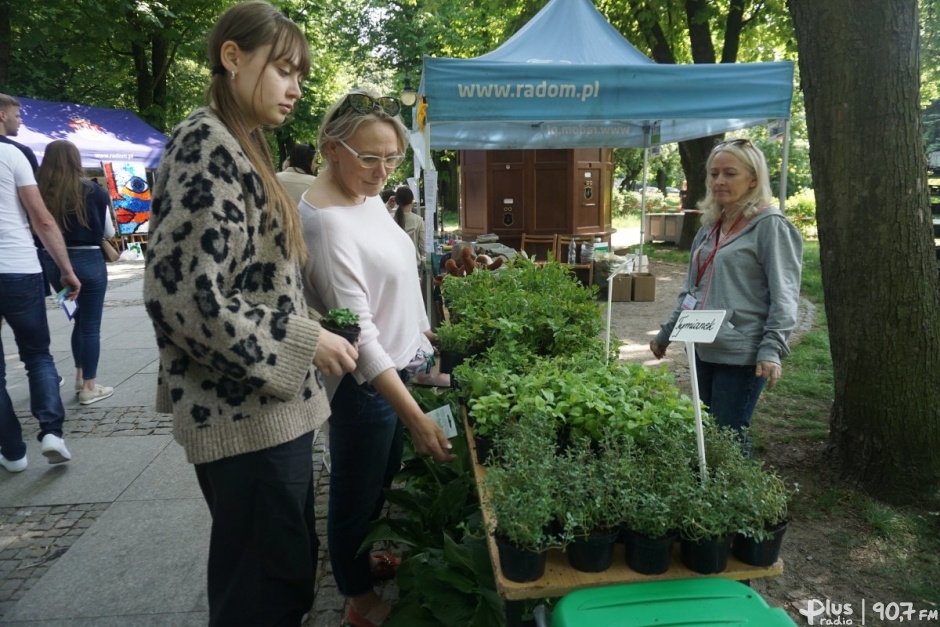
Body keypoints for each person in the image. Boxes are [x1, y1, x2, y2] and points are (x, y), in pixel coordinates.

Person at [141, 3, 358, 625]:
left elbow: (245, 281)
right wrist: (304, 342)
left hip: (264, 410)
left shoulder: (239, 141)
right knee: (264, 591)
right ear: (233, 57)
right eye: (283, 69)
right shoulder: (207, 145)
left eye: (300, 74)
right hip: (244, 414)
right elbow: (181, 296)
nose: (296, 87)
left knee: (280, 577)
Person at [300, 89, 455, 627]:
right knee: (354, 494)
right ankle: (358, 601)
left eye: (391, 158)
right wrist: (415, 417)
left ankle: (361, 563)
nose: (382, 170)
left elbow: (393, 275)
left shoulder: (365, 197)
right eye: (369, 156)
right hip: (368, 385)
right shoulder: (325, 221)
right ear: (331, 148)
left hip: (403, 364)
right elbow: (359, 334)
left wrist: (422, 329)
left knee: (382, 482)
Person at [649, 139, 802, 451]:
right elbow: (691, 291)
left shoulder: (771, 226)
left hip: (742, 352)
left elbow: (784, 296)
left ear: (753, 179)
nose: (719, 181)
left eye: (730, 174)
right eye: (714, 174)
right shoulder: (709, 228)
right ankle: (709, 493)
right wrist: (665, 334)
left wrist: (771, 350)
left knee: (727, 436)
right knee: (707, 433)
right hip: (703, 347)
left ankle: (733, 496)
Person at [0, 143, 81, 473]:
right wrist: (66, 269)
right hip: (19, 267)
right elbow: (42, 220)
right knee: (37, 355)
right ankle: (51, 433)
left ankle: (13, 451)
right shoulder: (10, 155)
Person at [36, 140, 115, 405]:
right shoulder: (93, 190)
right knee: (90, 326)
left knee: (78, 321)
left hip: (52, 263)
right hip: (89, 258)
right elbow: (108, 233)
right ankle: (89, 386)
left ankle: (81, 377)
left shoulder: (40, 192)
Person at [0, 93, 40, 172]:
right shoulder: (22, 152)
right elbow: (35, 184)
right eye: (17, 116)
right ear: (2, 116)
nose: (20, 122)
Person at [393, 185, 426, 272]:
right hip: (413, 264)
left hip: (394, 264)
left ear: (396, 201)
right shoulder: (418, 220)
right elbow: (423, 246)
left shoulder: (390, 219)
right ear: (412, 201)